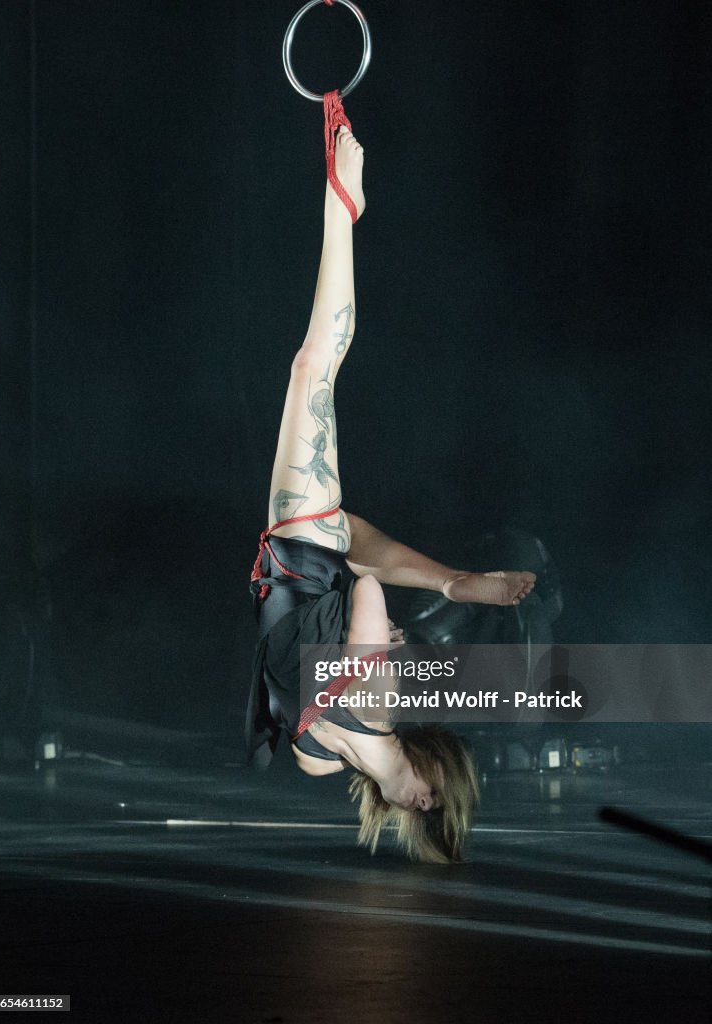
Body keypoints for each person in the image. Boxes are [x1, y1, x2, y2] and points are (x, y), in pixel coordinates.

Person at [248, 126, 536, 863]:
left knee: (314, 367)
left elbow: (368, 591)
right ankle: (341, 208)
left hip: (307, 547)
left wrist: (374, 645)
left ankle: (341, 208)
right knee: (312, 371)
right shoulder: (331, 751)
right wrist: (369, 645)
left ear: (421, 796)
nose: (421, 803)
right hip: (301, 547)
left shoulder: (350, 734)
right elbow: (346, 609)